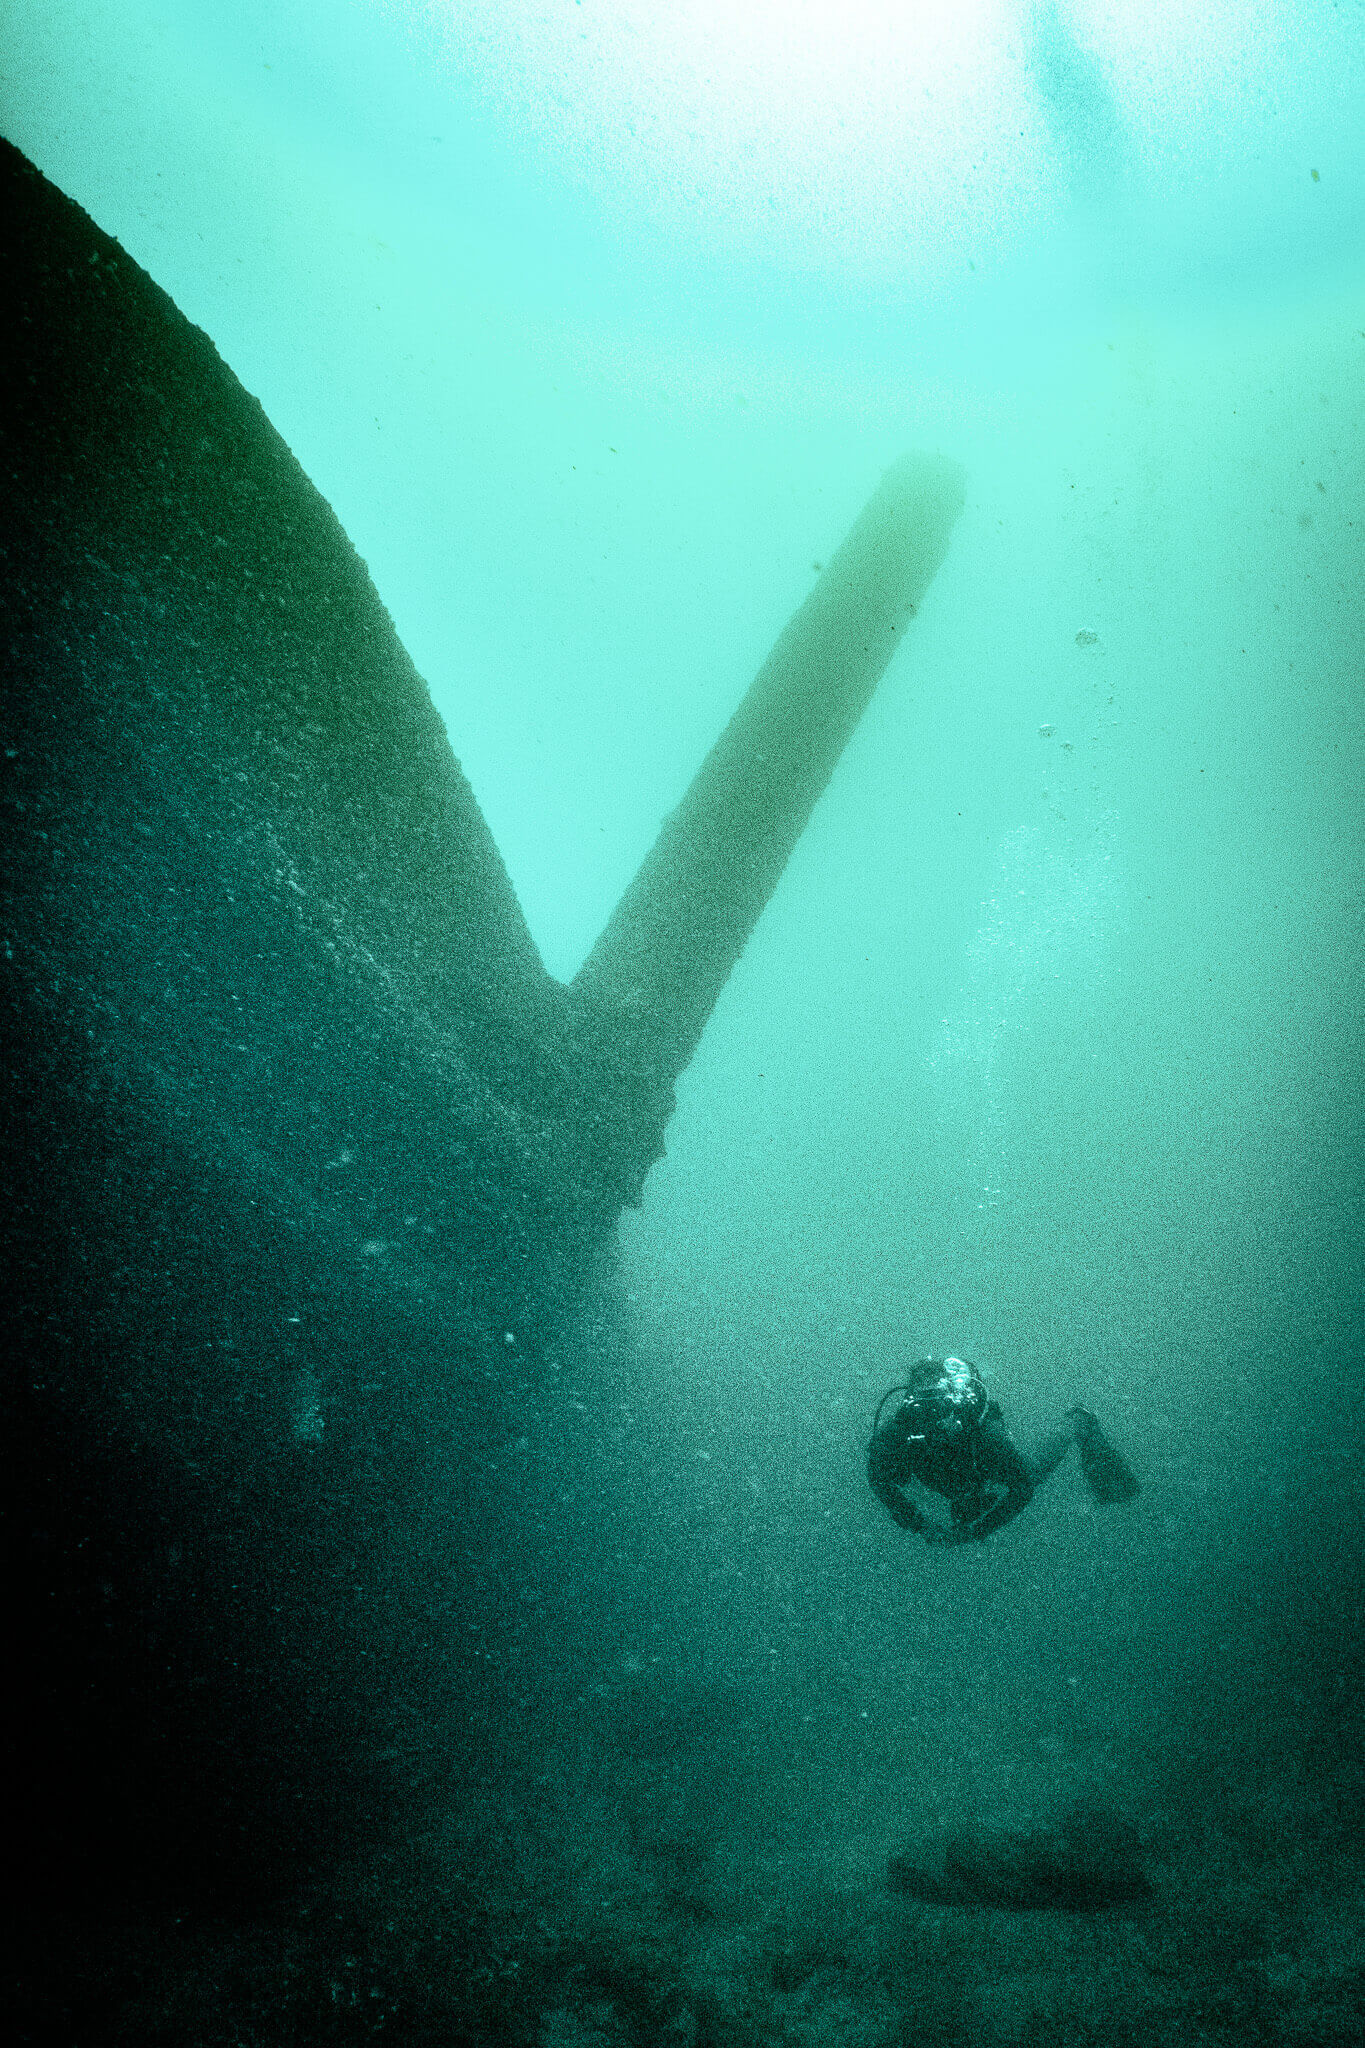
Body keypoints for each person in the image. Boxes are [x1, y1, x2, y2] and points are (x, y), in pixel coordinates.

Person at [867, 1355, 1138, 1546]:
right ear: (909, 1400)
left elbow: (1022, 1487)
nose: (933, 1417)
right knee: (968, 1502)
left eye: (938, 1406)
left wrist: (977, 1532)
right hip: (951, 1481)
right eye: (922, 1405)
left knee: (1028, 1472)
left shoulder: (980, 1432)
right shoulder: (898, 1431)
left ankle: (1074, 1425)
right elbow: (878, 1478)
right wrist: (920, 1524)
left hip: (979, 1469)